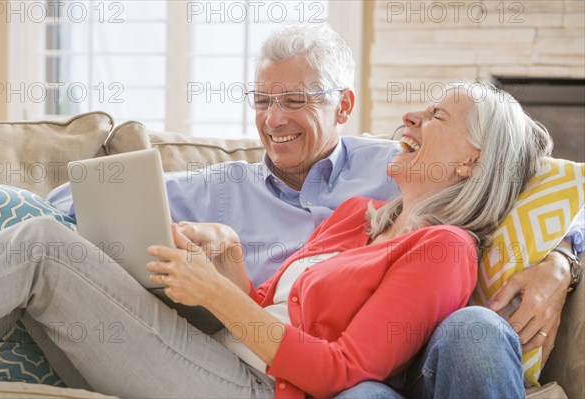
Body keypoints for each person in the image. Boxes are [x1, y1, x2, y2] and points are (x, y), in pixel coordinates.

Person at [44, 25, 580, 396]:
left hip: (339, 371)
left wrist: (563, 258)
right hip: (289, 366)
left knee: (462, 337)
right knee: (361, 396)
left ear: (343, 106)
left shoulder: (419, 208)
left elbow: (339, 365)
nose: (273, 119)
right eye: (261, 100)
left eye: (295, 101)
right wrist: (227, 253)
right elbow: (278, 307)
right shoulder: (358, 212)